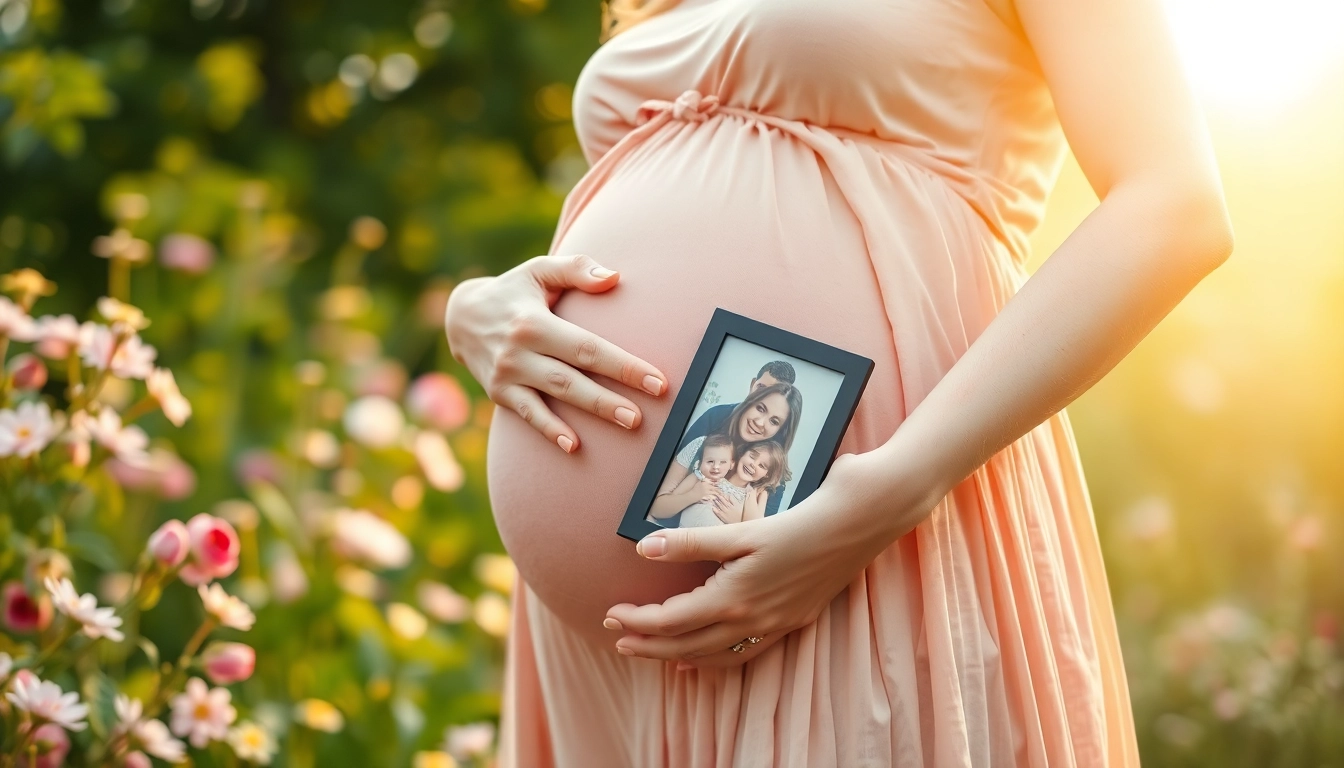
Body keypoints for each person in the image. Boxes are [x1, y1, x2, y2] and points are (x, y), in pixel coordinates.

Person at [445, 0, 1234, 763]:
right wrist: (480, 306)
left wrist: (893, 487)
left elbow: (1174, 207)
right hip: (602, 661)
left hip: (865, 530)